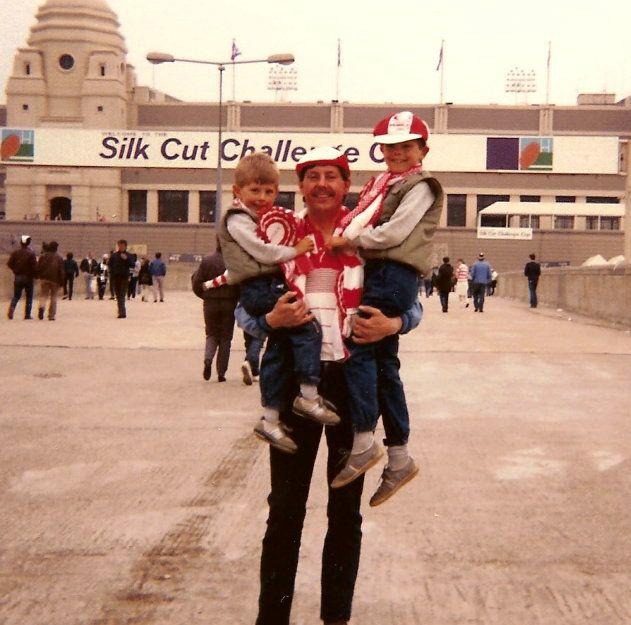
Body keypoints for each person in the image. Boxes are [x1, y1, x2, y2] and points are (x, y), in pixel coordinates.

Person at [249, 147, 421, 625]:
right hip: (293, 388)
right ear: (300, 187)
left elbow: (413, 304)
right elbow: (243, 301)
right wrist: (269, 317)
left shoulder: (370, 235)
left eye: (332, 177)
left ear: (346, 186)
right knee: (284, 509)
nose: (322, 184)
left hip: (352, 386)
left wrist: (395, 324)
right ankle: (272, 617)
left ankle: (335, 618)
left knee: (345, 512)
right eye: (312, 177)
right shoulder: (275, 233)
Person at [328, 111, 442, 496]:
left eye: (405, 146)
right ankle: (399, 456)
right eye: (390, 146)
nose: (396, 153)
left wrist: (351, 241)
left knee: (360, 347)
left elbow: (395, 232)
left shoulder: (421, 185)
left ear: (422, 149)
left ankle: (363, 440)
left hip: (392, 273)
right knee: (384, 365)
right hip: (380, 271)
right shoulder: (383, 183)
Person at [213, 152, 339, 454]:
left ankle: (270, 418)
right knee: (304, 330)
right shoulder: (248, 221)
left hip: (341, 369)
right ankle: (307, 397)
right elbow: (261, 260)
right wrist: (269, 321)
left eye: (269, 191)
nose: (262, 197)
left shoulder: (350, 232)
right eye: (255, 190)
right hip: (263, 288)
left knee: (279, 353)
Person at [191, 243, 240, 382]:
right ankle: (221, 373)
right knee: (225, 338)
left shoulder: (207, 260)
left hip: (210, 304)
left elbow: (196, 283)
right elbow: (240, 285)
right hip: (229, 303)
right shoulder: (234, 262)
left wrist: (205, 296)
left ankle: (208, 359)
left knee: (211, 334)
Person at [7, 234, 37, 320]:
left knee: (16, 295)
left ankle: (12, 307)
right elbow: (34, 266)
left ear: (21, 243)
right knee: (29, 296)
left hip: (18, 276)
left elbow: (9, 263)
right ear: (29, 243)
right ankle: (27, 314)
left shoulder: (15, 253)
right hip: (28, 277)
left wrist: (15, 270)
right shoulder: (31, 253)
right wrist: (35, 275)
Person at [36, 240, 65, 320]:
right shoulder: (59, 258)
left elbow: (38, 267)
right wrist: (62, 282)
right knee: (53, 298)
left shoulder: (43, 256)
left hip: (44, 278)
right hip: (55, 280)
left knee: (43, 295)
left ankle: (41, 307)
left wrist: (38, 276)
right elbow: (62, 271)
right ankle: (51, 315)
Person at [108, 239, 135, 318]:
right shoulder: (114, 255)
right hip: (116, 277)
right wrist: (111, 272)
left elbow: (132, 265)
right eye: (119, 245)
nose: (120, 247)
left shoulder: (129, 255)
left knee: (122, 294)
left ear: (125, 246)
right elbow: (110, 264)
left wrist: (126, 259)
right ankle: (120, 310)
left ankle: (122, 312)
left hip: (124, 277)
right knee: (118, 294)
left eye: (122, 246)